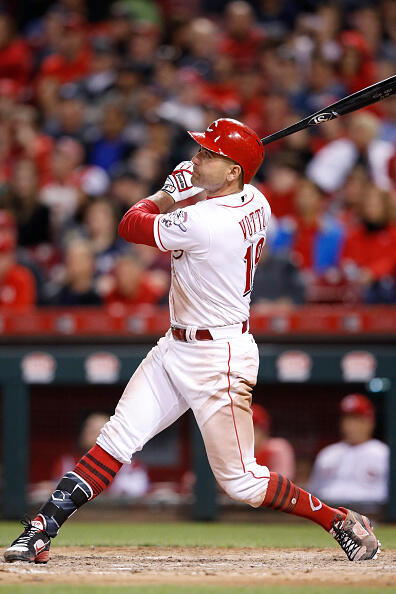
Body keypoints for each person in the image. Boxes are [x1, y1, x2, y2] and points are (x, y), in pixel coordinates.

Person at [4, 118, 380, 565]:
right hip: (177, 346)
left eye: (208, 154)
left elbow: (130, 224)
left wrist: (168, 193)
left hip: (218, 358)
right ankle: (40, 531)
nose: (197, 157)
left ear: (233, 172)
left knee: (243, 483)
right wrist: (197, 184)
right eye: (200, 150)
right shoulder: (255, 200)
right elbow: (211, 198)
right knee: (115, 440)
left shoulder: (204, 222)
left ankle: (338, 521)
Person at [308, 394, 389, 510]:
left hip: (371, 515)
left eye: (357, 419)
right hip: (330, 516)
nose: (350, 425)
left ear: (370, 422)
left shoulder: (383, 453)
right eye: (347, 419)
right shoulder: (327, 454)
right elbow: (314, 492)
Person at [252, 404, 296, 479]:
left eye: (254, 429)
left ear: (263, 430)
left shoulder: (277, 449)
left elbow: (281, 483)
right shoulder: (235, 452)